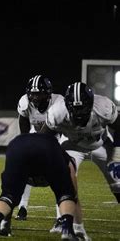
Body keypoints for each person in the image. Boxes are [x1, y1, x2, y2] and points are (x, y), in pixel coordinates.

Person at [41, 81, 120, 239]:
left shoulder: (103, 106)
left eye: (82, 109)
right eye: (74, 109)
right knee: (66, 183)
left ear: (91, 103)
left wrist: (117, 155)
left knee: (118, 184)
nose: (78, 114)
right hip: (72, 146)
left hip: (102, 145)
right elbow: (43, 138)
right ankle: (71, 226)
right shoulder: (57, 112)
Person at [0, 132, 78, 240]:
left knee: (8, 195)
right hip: (47, 149)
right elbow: (71, 192)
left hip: (18, 145)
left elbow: (8, 190)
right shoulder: (65, 159)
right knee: (65, 193)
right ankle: (67, 230)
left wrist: (6, 224)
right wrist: (71, 195)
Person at [14, 75, 64, 220]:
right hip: (36, 135)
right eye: (33, 94)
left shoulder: (59, 102)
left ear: (48, 93)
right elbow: (24, 127)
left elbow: (63, 127)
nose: (35, 97)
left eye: (39, 93)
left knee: (61, 174)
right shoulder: (24, 102)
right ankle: (22, 207)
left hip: (59, 137)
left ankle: (61, 215)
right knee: (25, 167)